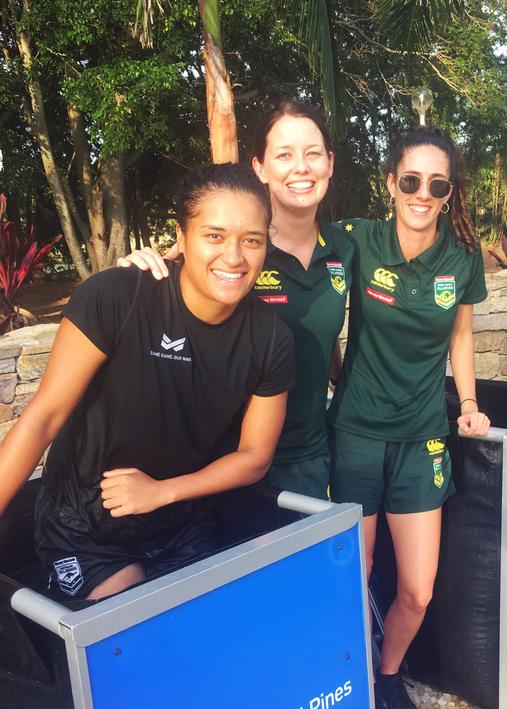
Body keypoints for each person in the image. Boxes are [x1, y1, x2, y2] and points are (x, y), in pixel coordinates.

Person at [0, 163, 294, 602]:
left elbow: (254, 456)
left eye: (251, 240)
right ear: (181, 235)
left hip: (182, 521)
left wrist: (162, 492)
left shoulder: (271, 338)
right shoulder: (118, 296)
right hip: (85, 526)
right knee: (125, 627)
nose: (234, 257)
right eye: (214, 235)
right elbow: (44, 417)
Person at [327, 127, 490, 709]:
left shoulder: (462, 254)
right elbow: (283, 241)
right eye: (412, 180)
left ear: (450, 193)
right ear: (391, 183)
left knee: (417, 590)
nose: (423, 193)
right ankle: (349, 685)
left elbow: (461, 336)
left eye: (438, 184)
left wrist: (468, 403)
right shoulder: (358, 238)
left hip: (423, 437)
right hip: (358, 435)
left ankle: (386, 677)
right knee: (355, 574)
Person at [120, 101, 355, 499]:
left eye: (312, 153)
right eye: (284, 155)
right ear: (260, 168)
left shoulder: (344, 249)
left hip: (305, 458)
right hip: (219, 462)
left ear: (329, 164)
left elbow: (321, 330)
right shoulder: (231, 255)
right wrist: (133, 268)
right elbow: (164, 287)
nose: (300, 167)